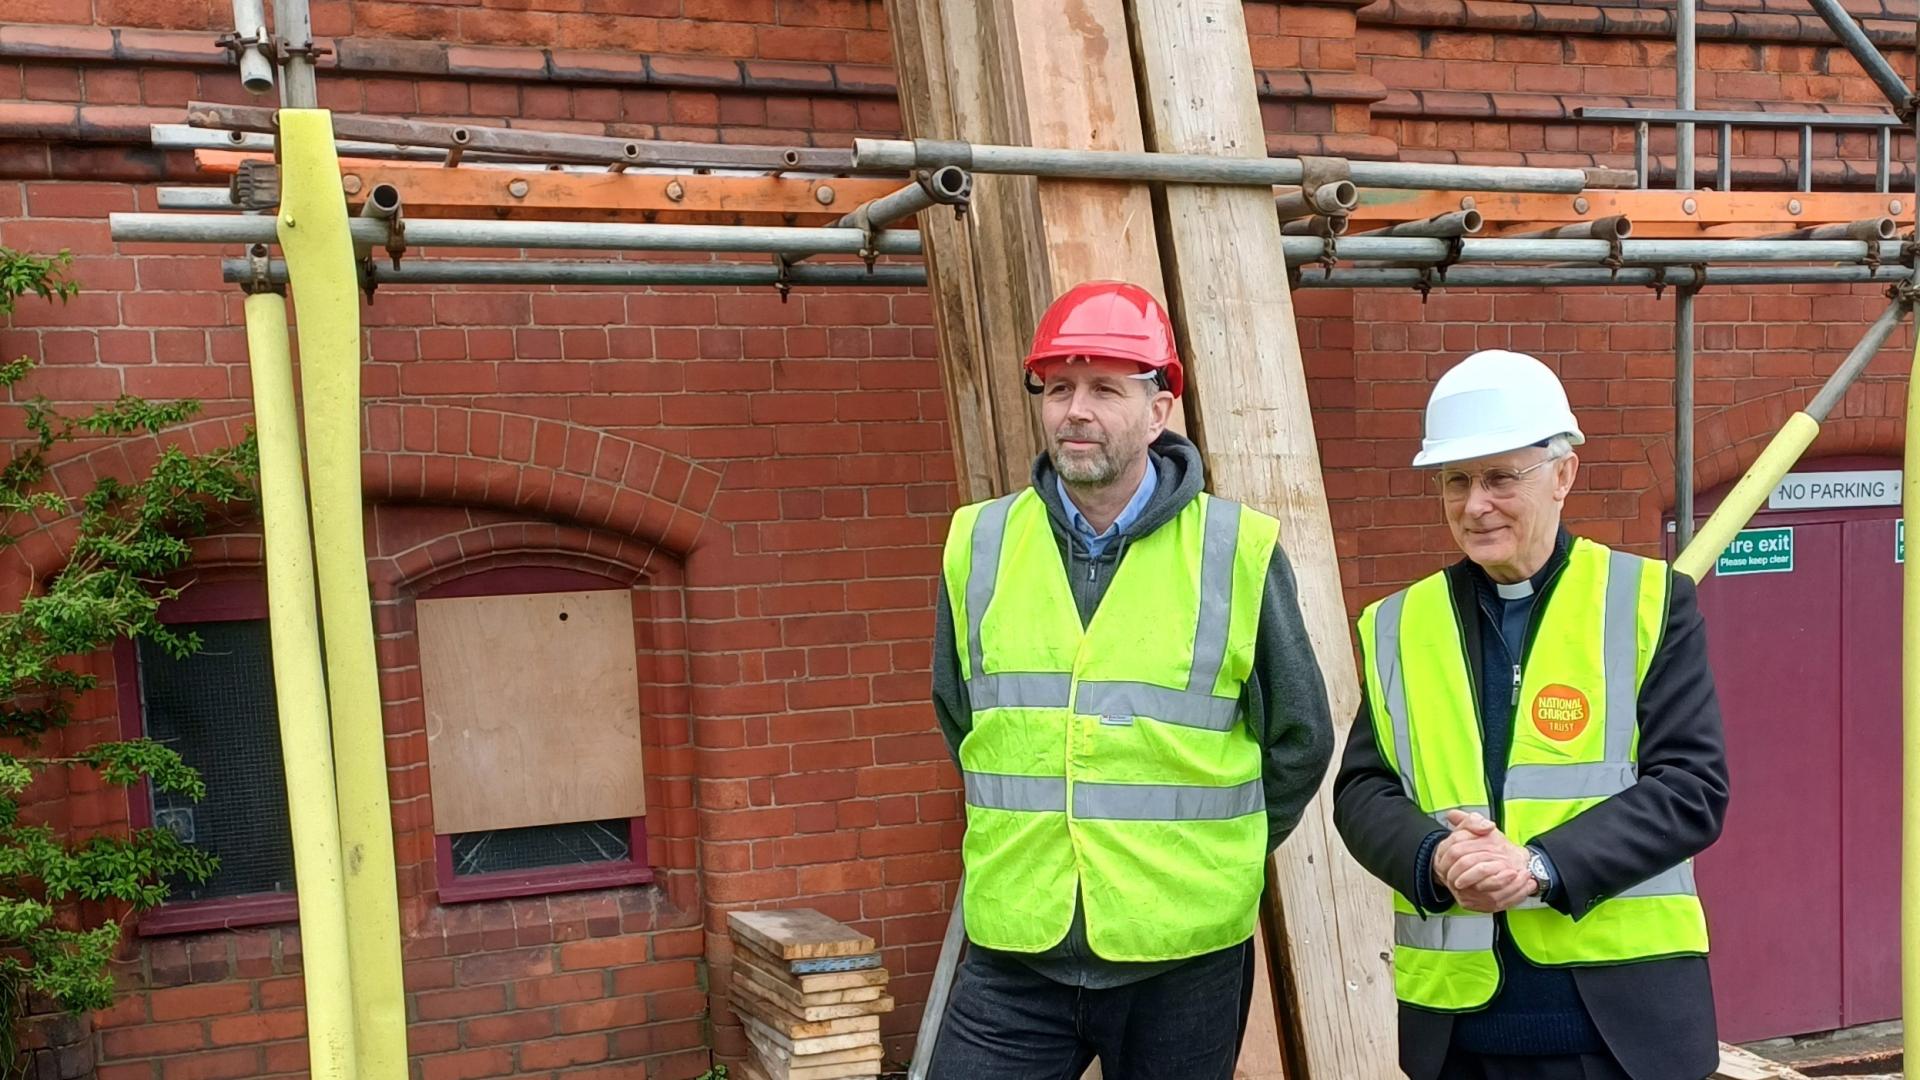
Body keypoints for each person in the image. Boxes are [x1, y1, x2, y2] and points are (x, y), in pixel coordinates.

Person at [926, 280, 1335, 1080]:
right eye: (1059, 387)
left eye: (1106, 388)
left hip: (1182, 956)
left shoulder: (1234, 549)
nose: (1075, 410)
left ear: (1158, 409)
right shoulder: (977, 543)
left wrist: (1203, 850)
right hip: (1017, 946)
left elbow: (1300, 740)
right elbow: (961, 716)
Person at [1334, 349, 1731, 1080]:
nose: (1475, 503)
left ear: (1563, 475)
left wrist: (1540, 867)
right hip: (1458, 1031)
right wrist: (1435, 858)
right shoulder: (1399, 623)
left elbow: (1691, 788)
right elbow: (1363, 791)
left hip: (1619, 1029)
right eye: (1456, 480)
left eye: (1498, 477)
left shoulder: (1647, 603)